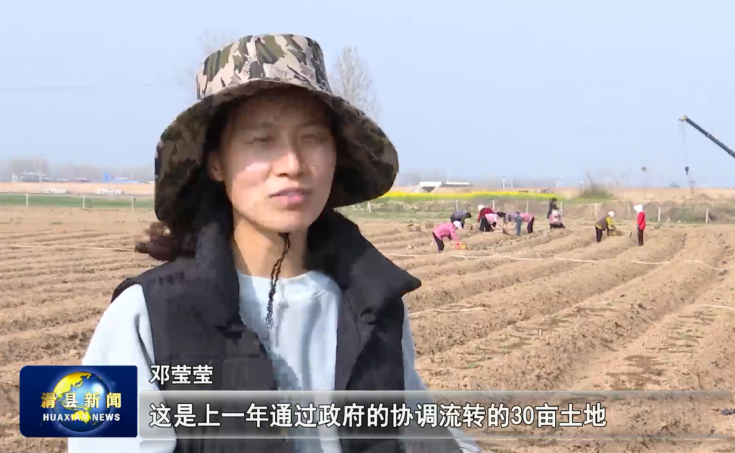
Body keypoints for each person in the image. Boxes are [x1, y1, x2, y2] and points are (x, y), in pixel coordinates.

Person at [69, 34, 477, 453]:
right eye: (262, 140)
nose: (294, 166)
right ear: (215, 162)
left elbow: (424, 434)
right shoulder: (147, 317)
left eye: (313, 139)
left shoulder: (375, 305)